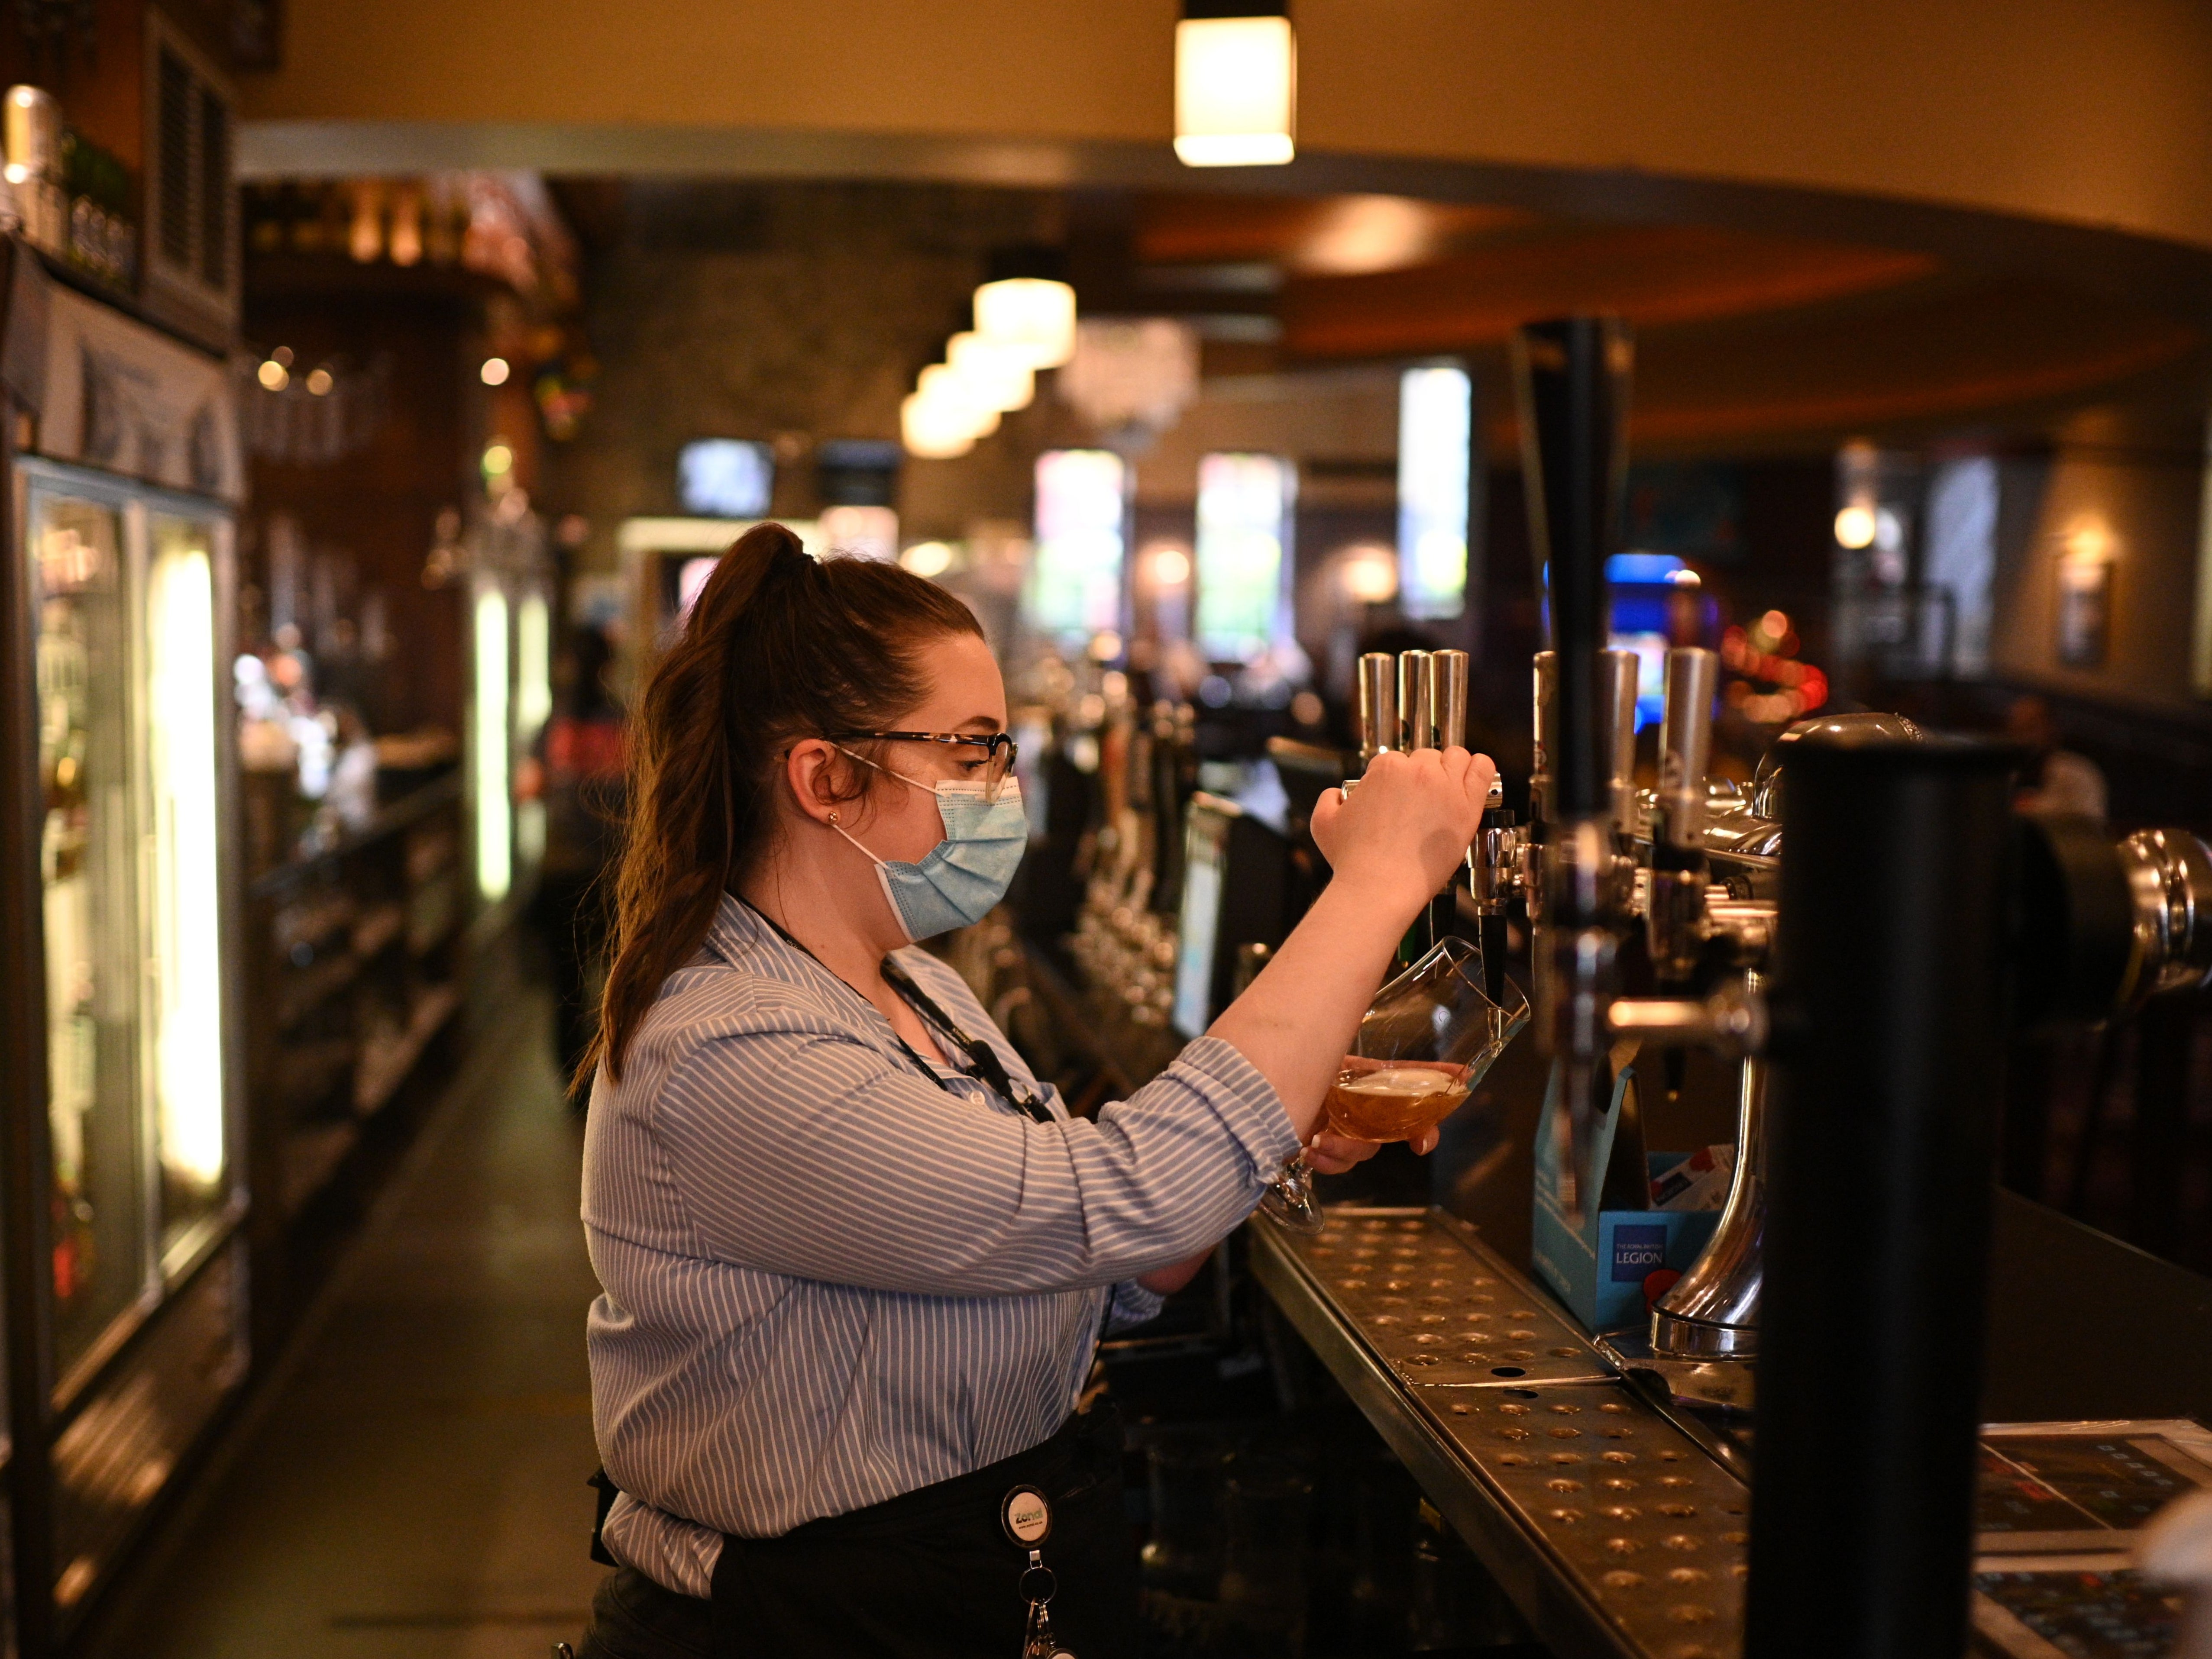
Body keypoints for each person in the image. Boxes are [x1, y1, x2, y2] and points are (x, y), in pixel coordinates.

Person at [572, 523, 1494, 1658]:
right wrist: (1378, 883)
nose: (998, 788)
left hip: (976, 1584)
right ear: (823, 777)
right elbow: (1118, 1197)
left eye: (999, 751)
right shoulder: (731, 1049)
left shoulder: (916, 989)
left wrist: (1275, 1130)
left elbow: (1113, 1262)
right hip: (812, 1621)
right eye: (967, 753)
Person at [2006, 694, 2108, 822]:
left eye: (2031, 727)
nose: (2022, 738)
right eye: (2016, 729)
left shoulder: (2079, 775)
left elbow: (2087, 828)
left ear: (2051, 729)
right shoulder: (2006, 772)